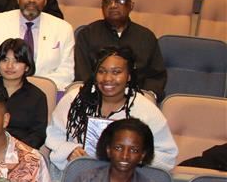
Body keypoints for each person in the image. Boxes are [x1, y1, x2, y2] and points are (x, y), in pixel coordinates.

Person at [46, 46, 178, 173]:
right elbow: (53, 135)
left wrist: (132, 155)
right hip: (77, 175)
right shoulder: (75, 100)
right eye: (102, 71)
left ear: (129, 76)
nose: (108, 78)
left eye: (116, 72)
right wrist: (69, 151)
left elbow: (167, 157)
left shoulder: (145, 109)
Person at [74, 0, 167, 101]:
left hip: (136, 99)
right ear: (102, 7)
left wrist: (146, 97)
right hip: (95, 97)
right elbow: (83, 72)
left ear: (131, 6)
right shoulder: (88, 34)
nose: (113, 5)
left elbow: (156, 76)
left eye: (120, 1)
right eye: (108, 2)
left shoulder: (146, 37)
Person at [0, 38, 47, 149]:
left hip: (21, 151)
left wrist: (15, 149)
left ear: (27, 66)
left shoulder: (37, 96)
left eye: (17, 61)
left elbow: (38, 135)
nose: (9, 66)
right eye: (5, 60)